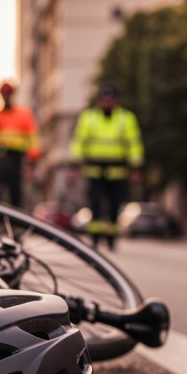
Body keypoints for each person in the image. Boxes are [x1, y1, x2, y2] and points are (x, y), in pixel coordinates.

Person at [69, 85, 144, 251]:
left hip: (117, 169)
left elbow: (134, 144)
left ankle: (111, 238)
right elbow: (79, 141)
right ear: (99, 101)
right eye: (104, 100)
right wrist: (74, 165)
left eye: (110, 100)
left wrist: (135, 167)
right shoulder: (88, 117)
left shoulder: (126, 118)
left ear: (116, 101)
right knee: (95, 204)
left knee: (115, 205)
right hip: (95, 169)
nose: (107, 103)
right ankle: (95, 238)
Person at [0, 82, 41, 209]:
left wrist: (32, 161)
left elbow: (32, 138)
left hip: (15, 157)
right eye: (4, 94)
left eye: (8, 94)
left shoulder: (24, 115)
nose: (6, 97)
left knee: (15, 191)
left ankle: (16, 221)